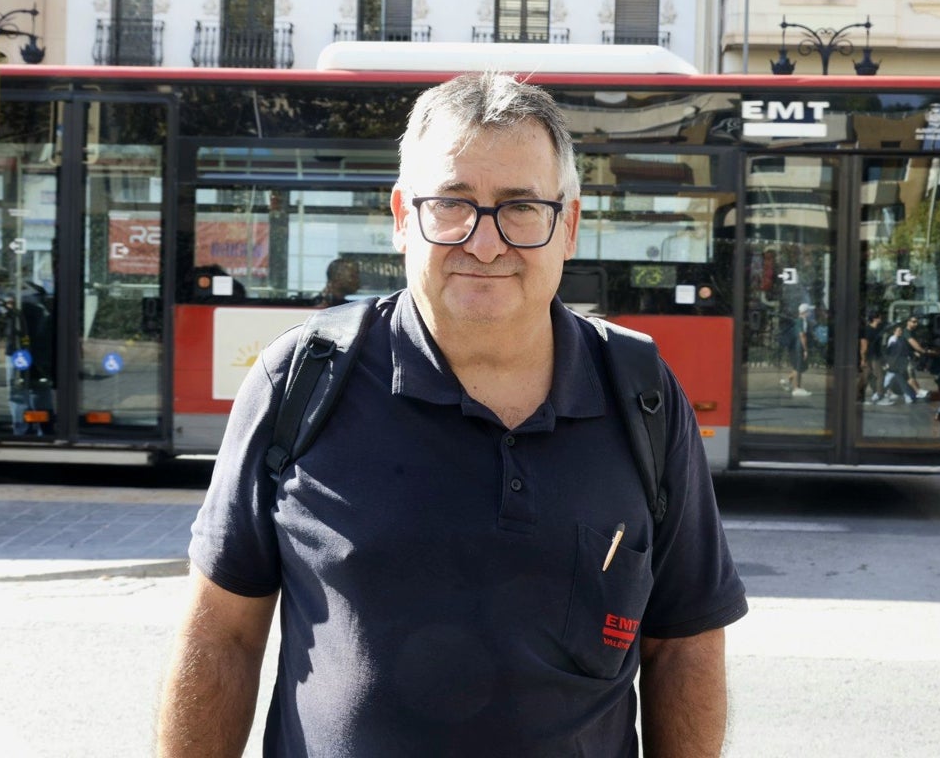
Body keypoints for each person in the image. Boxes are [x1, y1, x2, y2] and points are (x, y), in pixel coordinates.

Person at [158, 72, 748, 757]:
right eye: (453, 203)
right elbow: (220, 635)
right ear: (404, 216)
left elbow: (686, 647)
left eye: (521, 206)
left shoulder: (642, 394)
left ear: (570, 225)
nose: (485, 242)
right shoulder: (303, 380)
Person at [782, 301, 813, 397]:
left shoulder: (799, 320)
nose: (810, 313)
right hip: (799, 346)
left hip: (795, 346)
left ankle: (787, 381)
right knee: (799, 367)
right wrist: (805, 349)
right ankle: (797, 388)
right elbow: (802, 335)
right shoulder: (802, 321)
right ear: (805, 312)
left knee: (799, 367)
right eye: (809, 311)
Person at [860, 310, 888, 404]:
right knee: (880, 376)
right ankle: (879, 397)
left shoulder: (878, 328)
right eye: (880, 317)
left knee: (866, 376)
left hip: (876, 355)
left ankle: (858, 395)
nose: (881, 319)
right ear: (875, 319)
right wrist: (863, 359)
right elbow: (864, 345)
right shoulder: (867, 330)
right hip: (871, 356)